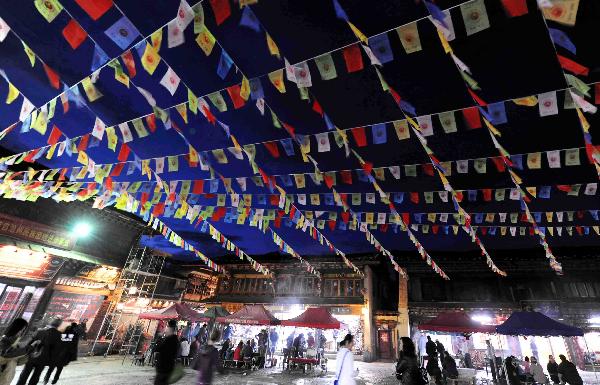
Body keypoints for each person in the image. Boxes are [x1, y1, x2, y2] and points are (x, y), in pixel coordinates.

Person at [17, 317, 62, 385]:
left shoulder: (40, 331)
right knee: (36, 376)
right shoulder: (59, 335)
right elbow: (56, 350)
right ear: (59, 325)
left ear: (51, 322)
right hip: (43, 359)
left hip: (32, 356)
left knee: (25, 374)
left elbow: (30, 343)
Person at [0, 318, 29, 385]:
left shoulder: (17, 344)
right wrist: (26, 350)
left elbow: (18, 362)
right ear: (16, 328)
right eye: (22, 329)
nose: (22, 332)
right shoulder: (3, 341)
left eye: (24, 330)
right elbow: (3, 357)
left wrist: (28, 355)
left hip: (7, 378)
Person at [153, 319, 179, 385]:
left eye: (167, 327)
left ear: (170, 329)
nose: (165, 329)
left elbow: (156, 349)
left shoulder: (168, 340)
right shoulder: (176, 340)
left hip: (163, 369)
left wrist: (160, 337)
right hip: (169, 368)